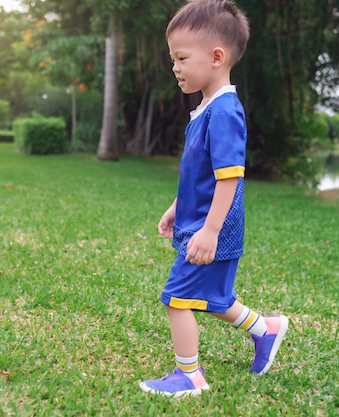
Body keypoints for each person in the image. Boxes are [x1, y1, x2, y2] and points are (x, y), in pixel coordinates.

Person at [139, 0, 289, 398]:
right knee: (214, 298)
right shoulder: (206, 109)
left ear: (217, 57)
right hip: (201, 222)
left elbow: (230, 179)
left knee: (176, 299)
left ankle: (189, 375)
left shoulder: (224, 112)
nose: (175, 67)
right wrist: (177, 206)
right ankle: (265, 329)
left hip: (212, 228)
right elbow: (199, 175)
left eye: (181, 58)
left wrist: (209, 230)